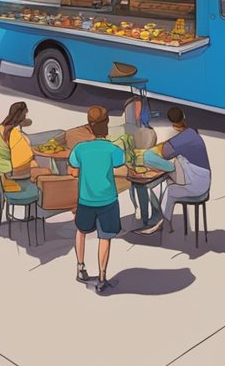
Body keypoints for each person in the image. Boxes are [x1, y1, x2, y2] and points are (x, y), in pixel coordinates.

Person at [69, 105, 125, 293]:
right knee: (105, 237)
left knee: (81, 231)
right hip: (107, 199)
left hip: (85, 199)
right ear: (106, 124)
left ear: (89, 125)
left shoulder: (80, 149)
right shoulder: (113, 149)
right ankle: (102, 277)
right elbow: (120, 164)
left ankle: (80, 267)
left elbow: (72, 170)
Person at [136, 107, 212, 235]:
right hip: (201, 179)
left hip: (196, 185)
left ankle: (161, 223)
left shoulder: (182, 139)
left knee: (166, 188)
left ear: (172, 124)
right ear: (184, 117)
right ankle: (164, 223)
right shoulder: (192, 133)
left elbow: (161, 152)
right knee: (164, 183)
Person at [0, 102, 51, 203]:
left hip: (2, 169)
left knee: (36, 168)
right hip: (14, 173)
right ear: (22, 116)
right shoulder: (14, 133)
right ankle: (42, 210)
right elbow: (22, 160)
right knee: (47, 172)